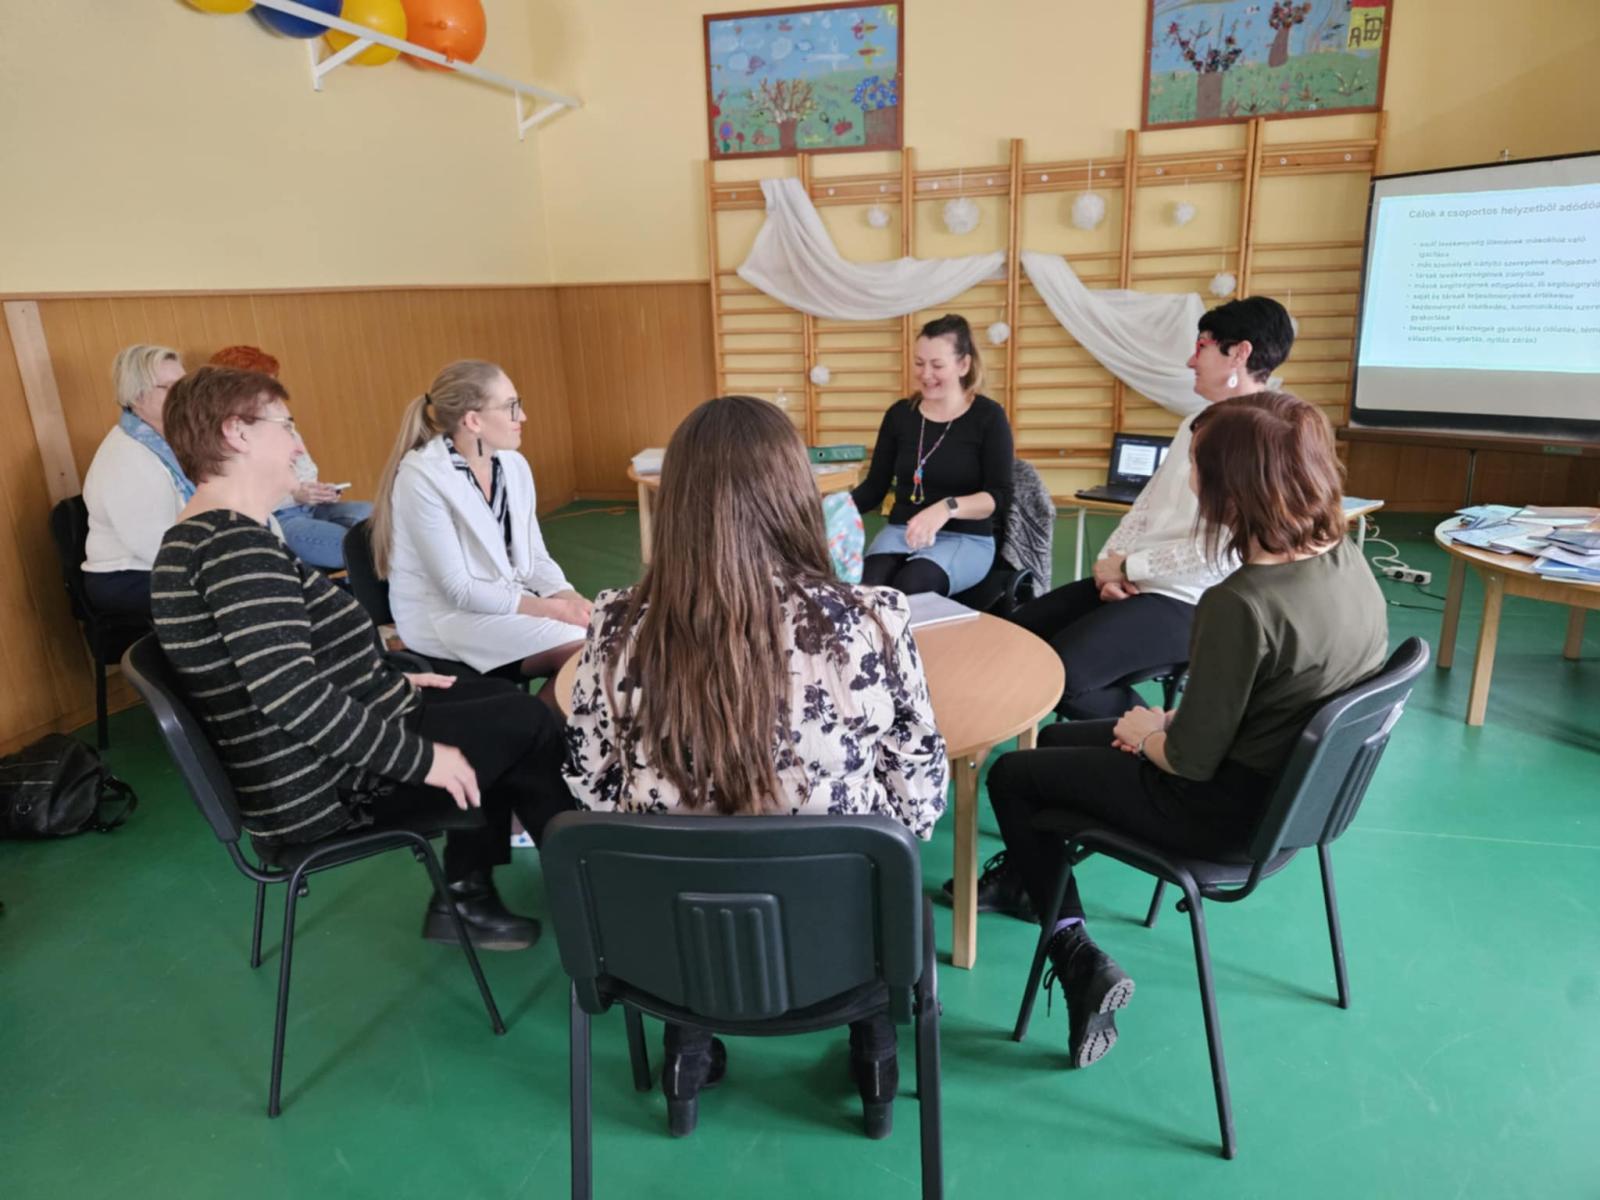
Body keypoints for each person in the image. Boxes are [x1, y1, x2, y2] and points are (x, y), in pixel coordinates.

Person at [564, 395, 948, 1140]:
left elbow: (593, 791)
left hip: (667, 947)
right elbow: (918, 802)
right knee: (879, 873)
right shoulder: (873, 619)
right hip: (848, 947)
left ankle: (687, 1048)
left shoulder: (614, 627)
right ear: (795, 494)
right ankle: (874, 1049)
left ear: (677, 504)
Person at [985, 391, 1388, 1070]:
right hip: (1292, 802)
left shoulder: (1240, 603)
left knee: (1012, 776)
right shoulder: (1343, 560)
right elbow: (1276, 694)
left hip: (1217, 812)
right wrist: (1170, 724)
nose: (1191, 481)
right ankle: (1033, 884)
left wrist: (1151, 732)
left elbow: (1189, 760)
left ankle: (1076, 955)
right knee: (1053, 745)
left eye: (1199, 469)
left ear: (1232, 491)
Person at [150, 365, 574, 950]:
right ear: (236, 433)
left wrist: (390, 676)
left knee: (498, 701)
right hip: (325, 787)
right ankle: (585, 894)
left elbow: (278, 666)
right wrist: (422, 760)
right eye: (286, 426)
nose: (297, 446)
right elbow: (289, 696)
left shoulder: (203, 538)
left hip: (315, 756)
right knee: (526, 724)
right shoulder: (235, 550)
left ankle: (483, 891)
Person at [1008, 296, 1297, 722]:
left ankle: (1159, 737)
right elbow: (1146, 505)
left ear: (1240, 353)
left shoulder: (1263, 439)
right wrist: (1109, 566)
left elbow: (1222, 552)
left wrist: (1130, 567)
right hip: (1138, 578)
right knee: (1016, 636)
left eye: (1201, 347)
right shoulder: (1193, 423)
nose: (1190, 360)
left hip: (1195, 600)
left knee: (1065, 678)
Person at [372, 360, 590, 680]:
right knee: (586, 649)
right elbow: (459, 590)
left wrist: (573, 600)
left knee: (598, 638)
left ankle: (536, 713)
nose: (522, 417)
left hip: (499, 604)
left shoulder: (514, 465)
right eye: (511, 406)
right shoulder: (422, 477)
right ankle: (532, 715)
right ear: (473, 420)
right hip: (444, 618)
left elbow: (536, 559)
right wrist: (555, 610)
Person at [850, 314, 1014, 597]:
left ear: (963, 365)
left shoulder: (989, 417)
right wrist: (826, 512)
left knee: (913, 586)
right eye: (919, 363)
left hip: (966, 538)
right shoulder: (900, 415)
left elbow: (999, 496)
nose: (926, 374)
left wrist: (946, 508)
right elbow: (874, 487)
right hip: (902, 533)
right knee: (866, 591)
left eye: (937, 365)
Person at [208, 345, 373, 571]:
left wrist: (317, 491)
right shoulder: (226, 435)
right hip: (275, 517)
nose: (274, 392)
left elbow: (307, 467)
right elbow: (243, 497)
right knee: (351, 546)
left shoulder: (279, 417)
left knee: (375, 518)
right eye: (266, 384)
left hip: (310, 507)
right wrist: (295, 495)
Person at [81, 345, 192, 619]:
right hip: (128, 576)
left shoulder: (178, 437)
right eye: (169, 388)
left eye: (185, 384)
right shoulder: (124, 455)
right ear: (137, 396)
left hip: (166, 560)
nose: (185, 395)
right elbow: (152, 543)